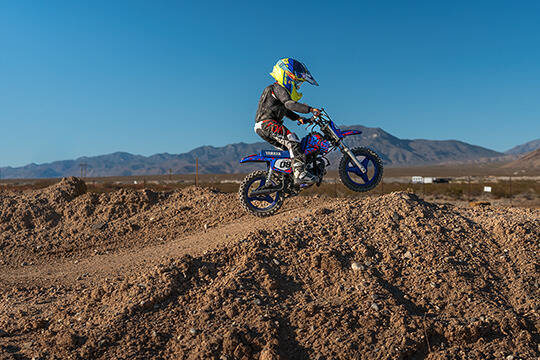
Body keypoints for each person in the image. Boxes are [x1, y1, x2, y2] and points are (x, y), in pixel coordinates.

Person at [254, 58, 321, 184]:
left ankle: (285, 178)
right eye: (296, 82)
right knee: (292, 139)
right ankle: (300, 173)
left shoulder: (275, 90)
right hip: (267, 124)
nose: (296, 86)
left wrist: (299, 118)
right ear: (287, 76)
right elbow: (289, 104)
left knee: (287, 150)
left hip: (262, 126)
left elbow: (286, 110)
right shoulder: (277, 87)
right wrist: (310, 109)